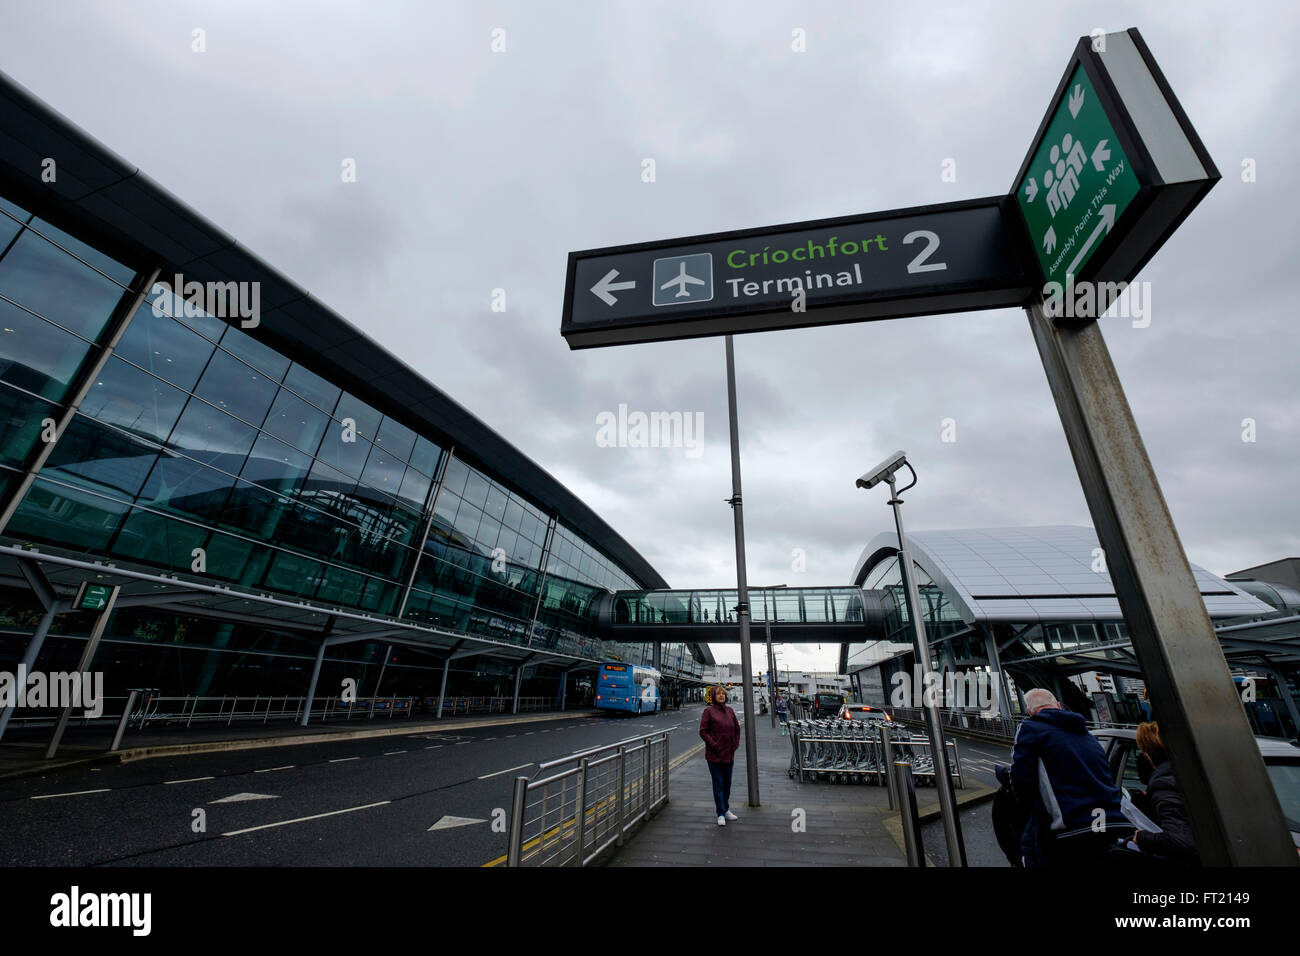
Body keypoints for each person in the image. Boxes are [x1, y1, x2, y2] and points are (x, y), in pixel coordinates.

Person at [1009, 688, 1132, 867]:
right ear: (1058, 705)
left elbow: (1020, 780)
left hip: (1072, 829)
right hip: (1112, 823)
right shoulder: (1086, 732)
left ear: (1029, 712)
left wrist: (1037, 814)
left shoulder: (1030, 728)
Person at [1128, 721, 1200, 866]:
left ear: (1147, 758)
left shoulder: (1163, 783)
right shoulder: (1194, 771)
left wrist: (1141, 837)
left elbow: (1181, 841)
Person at [699, 684, 741, 826]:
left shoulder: (730, 711)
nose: (721, 696)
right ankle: (720, 813)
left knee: (727, 784)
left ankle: (726, 809)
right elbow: (703, 731)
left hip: (729, 753)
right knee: (718, 784)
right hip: (714, 755)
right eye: (718, 694)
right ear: (714, 697)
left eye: (723, 693)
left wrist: (735, 745)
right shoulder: (708, 711)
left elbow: (737, 729)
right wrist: (714, 745)